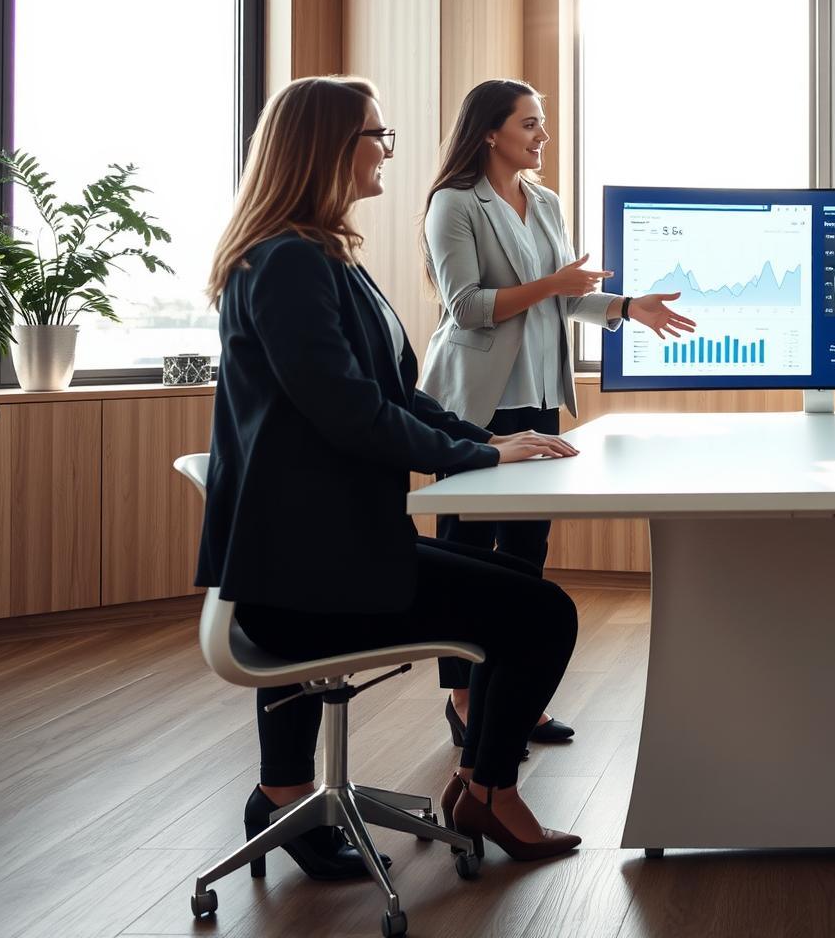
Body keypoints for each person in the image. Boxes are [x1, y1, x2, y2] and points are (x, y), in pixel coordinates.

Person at [197, 75, 585, 876]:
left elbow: (394, 394)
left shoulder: (319, 257)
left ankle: (283, 797)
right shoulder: (289, 266)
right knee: (542, 615)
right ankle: (486, 790)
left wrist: (479, 437)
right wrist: (479, 450)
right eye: (376, 134)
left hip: (319, 557)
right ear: (329, 148)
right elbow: (354, 416)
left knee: (520, 599)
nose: (385, 149)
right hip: (312, 578)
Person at [419, 79, 695, 750]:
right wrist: (554, 284)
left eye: (541, 124)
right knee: (465, 550)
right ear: (490, 132)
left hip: (539, 398)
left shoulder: (544, 202)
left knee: (526, 552)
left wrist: (628, 308)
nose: (542, 135)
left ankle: (516, 699)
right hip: (474, 404)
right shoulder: (454, 205)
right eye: (529, 124)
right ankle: (462, 696)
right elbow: (469, 307)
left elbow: (563, 303)